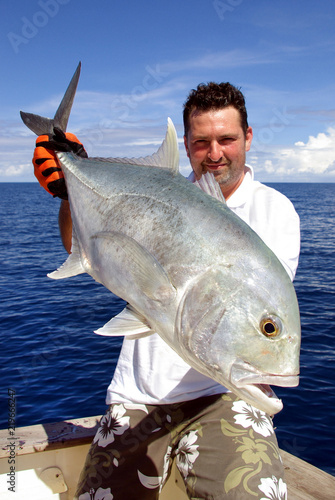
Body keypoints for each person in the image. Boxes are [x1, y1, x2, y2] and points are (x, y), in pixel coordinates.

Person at [32, 82, 300, 499]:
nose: (215, 154)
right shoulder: (156, 193)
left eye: (227, 139)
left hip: (224, 394)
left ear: (247, 137)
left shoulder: (274, 211)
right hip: (138, 394)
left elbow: (236, 302)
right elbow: (78, 248)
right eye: (201, 142)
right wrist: (69, 188)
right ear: (188, 144)